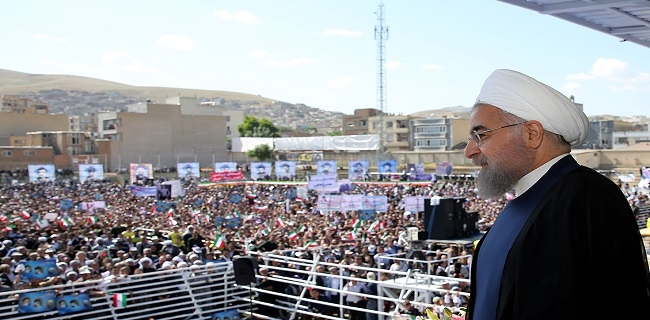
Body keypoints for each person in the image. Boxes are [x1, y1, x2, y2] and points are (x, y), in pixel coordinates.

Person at [463, 69, 650, 320]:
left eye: (481, 135)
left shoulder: (586, 197)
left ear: (532, 134)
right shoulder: (528, 197)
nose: (470, 151)